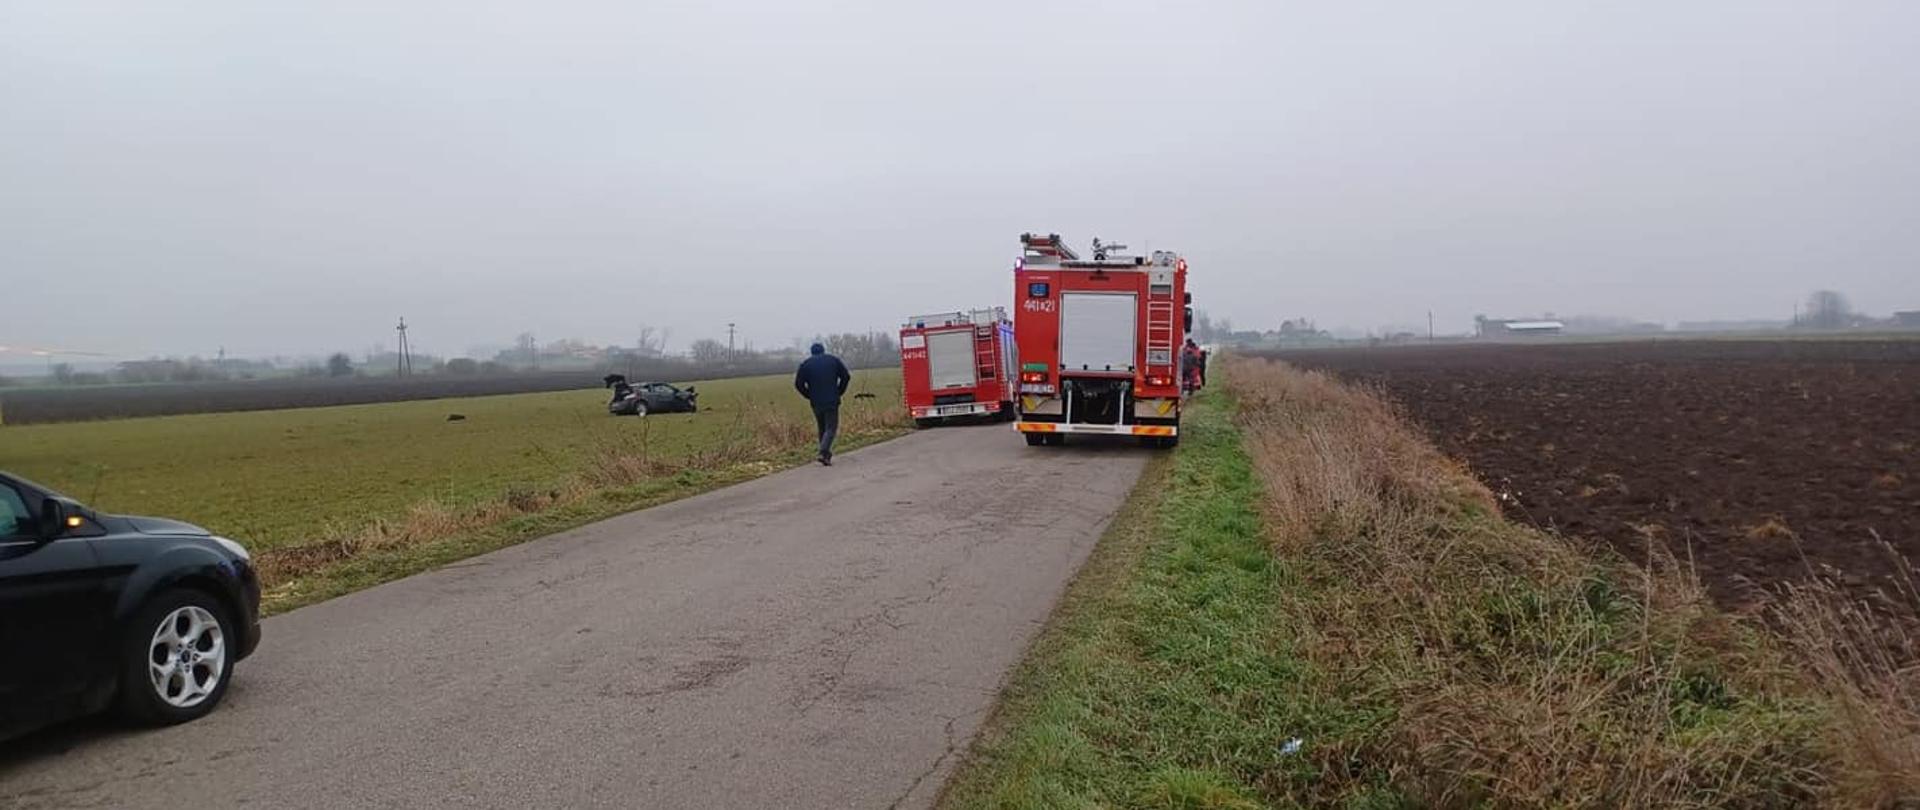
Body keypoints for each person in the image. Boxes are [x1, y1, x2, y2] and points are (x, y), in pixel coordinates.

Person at [794, 342, 851, 465]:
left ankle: (825, 456)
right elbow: (846, 376)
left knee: (822, 428)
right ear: (823, 351)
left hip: (816, 402)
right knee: (831, 428)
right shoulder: (833, 361)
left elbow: (798, 384)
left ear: (812, 352)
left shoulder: (805, 365)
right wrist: (839, 391)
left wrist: (808, 395)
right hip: (831, 400)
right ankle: (823, 451)